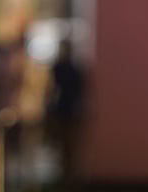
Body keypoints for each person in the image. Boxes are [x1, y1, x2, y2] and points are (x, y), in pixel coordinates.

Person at [46, 39, 85, 187]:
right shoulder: (68, 68)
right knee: (65, 143)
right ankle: (66, 173)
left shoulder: (63, 68)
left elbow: (53, 89)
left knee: (67, 143)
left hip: (65, 110)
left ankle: (67, 173)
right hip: (64, 110)